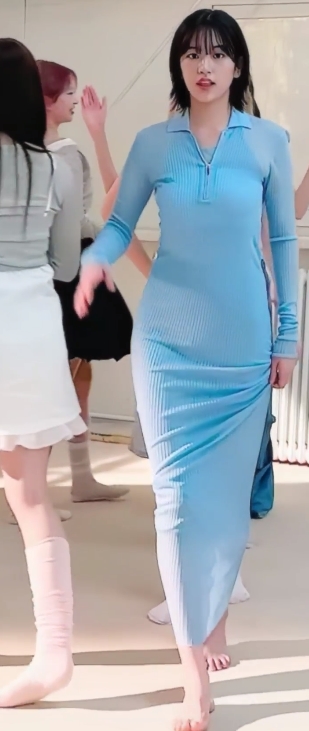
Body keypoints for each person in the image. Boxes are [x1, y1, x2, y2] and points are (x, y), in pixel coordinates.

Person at [75, 8, 299, 730]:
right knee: (174, 501)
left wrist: (288, 335)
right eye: (192, 54)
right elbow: (119, 224)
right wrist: (95, 259)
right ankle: (191, 671)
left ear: (238, 65)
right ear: (179, 65)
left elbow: (283, 242)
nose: (205, 66)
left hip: (242, 345)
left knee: (226, 508)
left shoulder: (267, 141)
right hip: (168, 346)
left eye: (218, 53)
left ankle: (214, 623)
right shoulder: (152, 143)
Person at [0, 38, 86, 707]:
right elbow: (66, 265)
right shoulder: (58, 166)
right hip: (32, 325)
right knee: (30, 496)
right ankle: (55, 650)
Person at [38, 60, 134, 507]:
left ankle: (80, 477)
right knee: (51, 380)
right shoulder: (59, 155)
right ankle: (33, 492)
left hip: (59, 266)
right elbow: (72, 222)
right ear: (46, 99)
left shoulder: (43, 150)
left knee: (77, 370)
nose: (76, 100)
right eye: (69, 93)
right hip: (59, 271)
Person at [250, 95, 309, 520]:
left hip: (258, 297)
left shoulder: (266, 152)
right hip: (217, 299)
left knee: (257, 404)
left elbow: (295, 210)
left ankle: (251, 492)